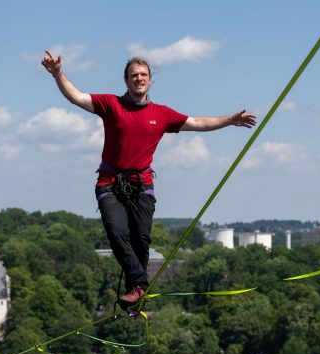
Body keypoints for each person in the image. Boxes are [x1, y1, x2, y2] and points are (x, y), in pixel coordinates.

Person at [41, 50, 256, 304]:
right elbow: (76, 97)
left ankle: (137, 291)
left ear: (150, 80)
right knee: (116, 233)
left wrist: (229, 120)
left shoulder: (161, 114)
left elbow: (197, 122)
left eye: (143, 75)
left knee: (141, 239)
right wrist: (58, 74)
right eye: (134, 75)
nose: (139, 78)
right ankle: (140, 284)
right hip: (110, 183)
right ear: (126, 80)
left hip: (141, 184)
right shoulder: (111, 105)